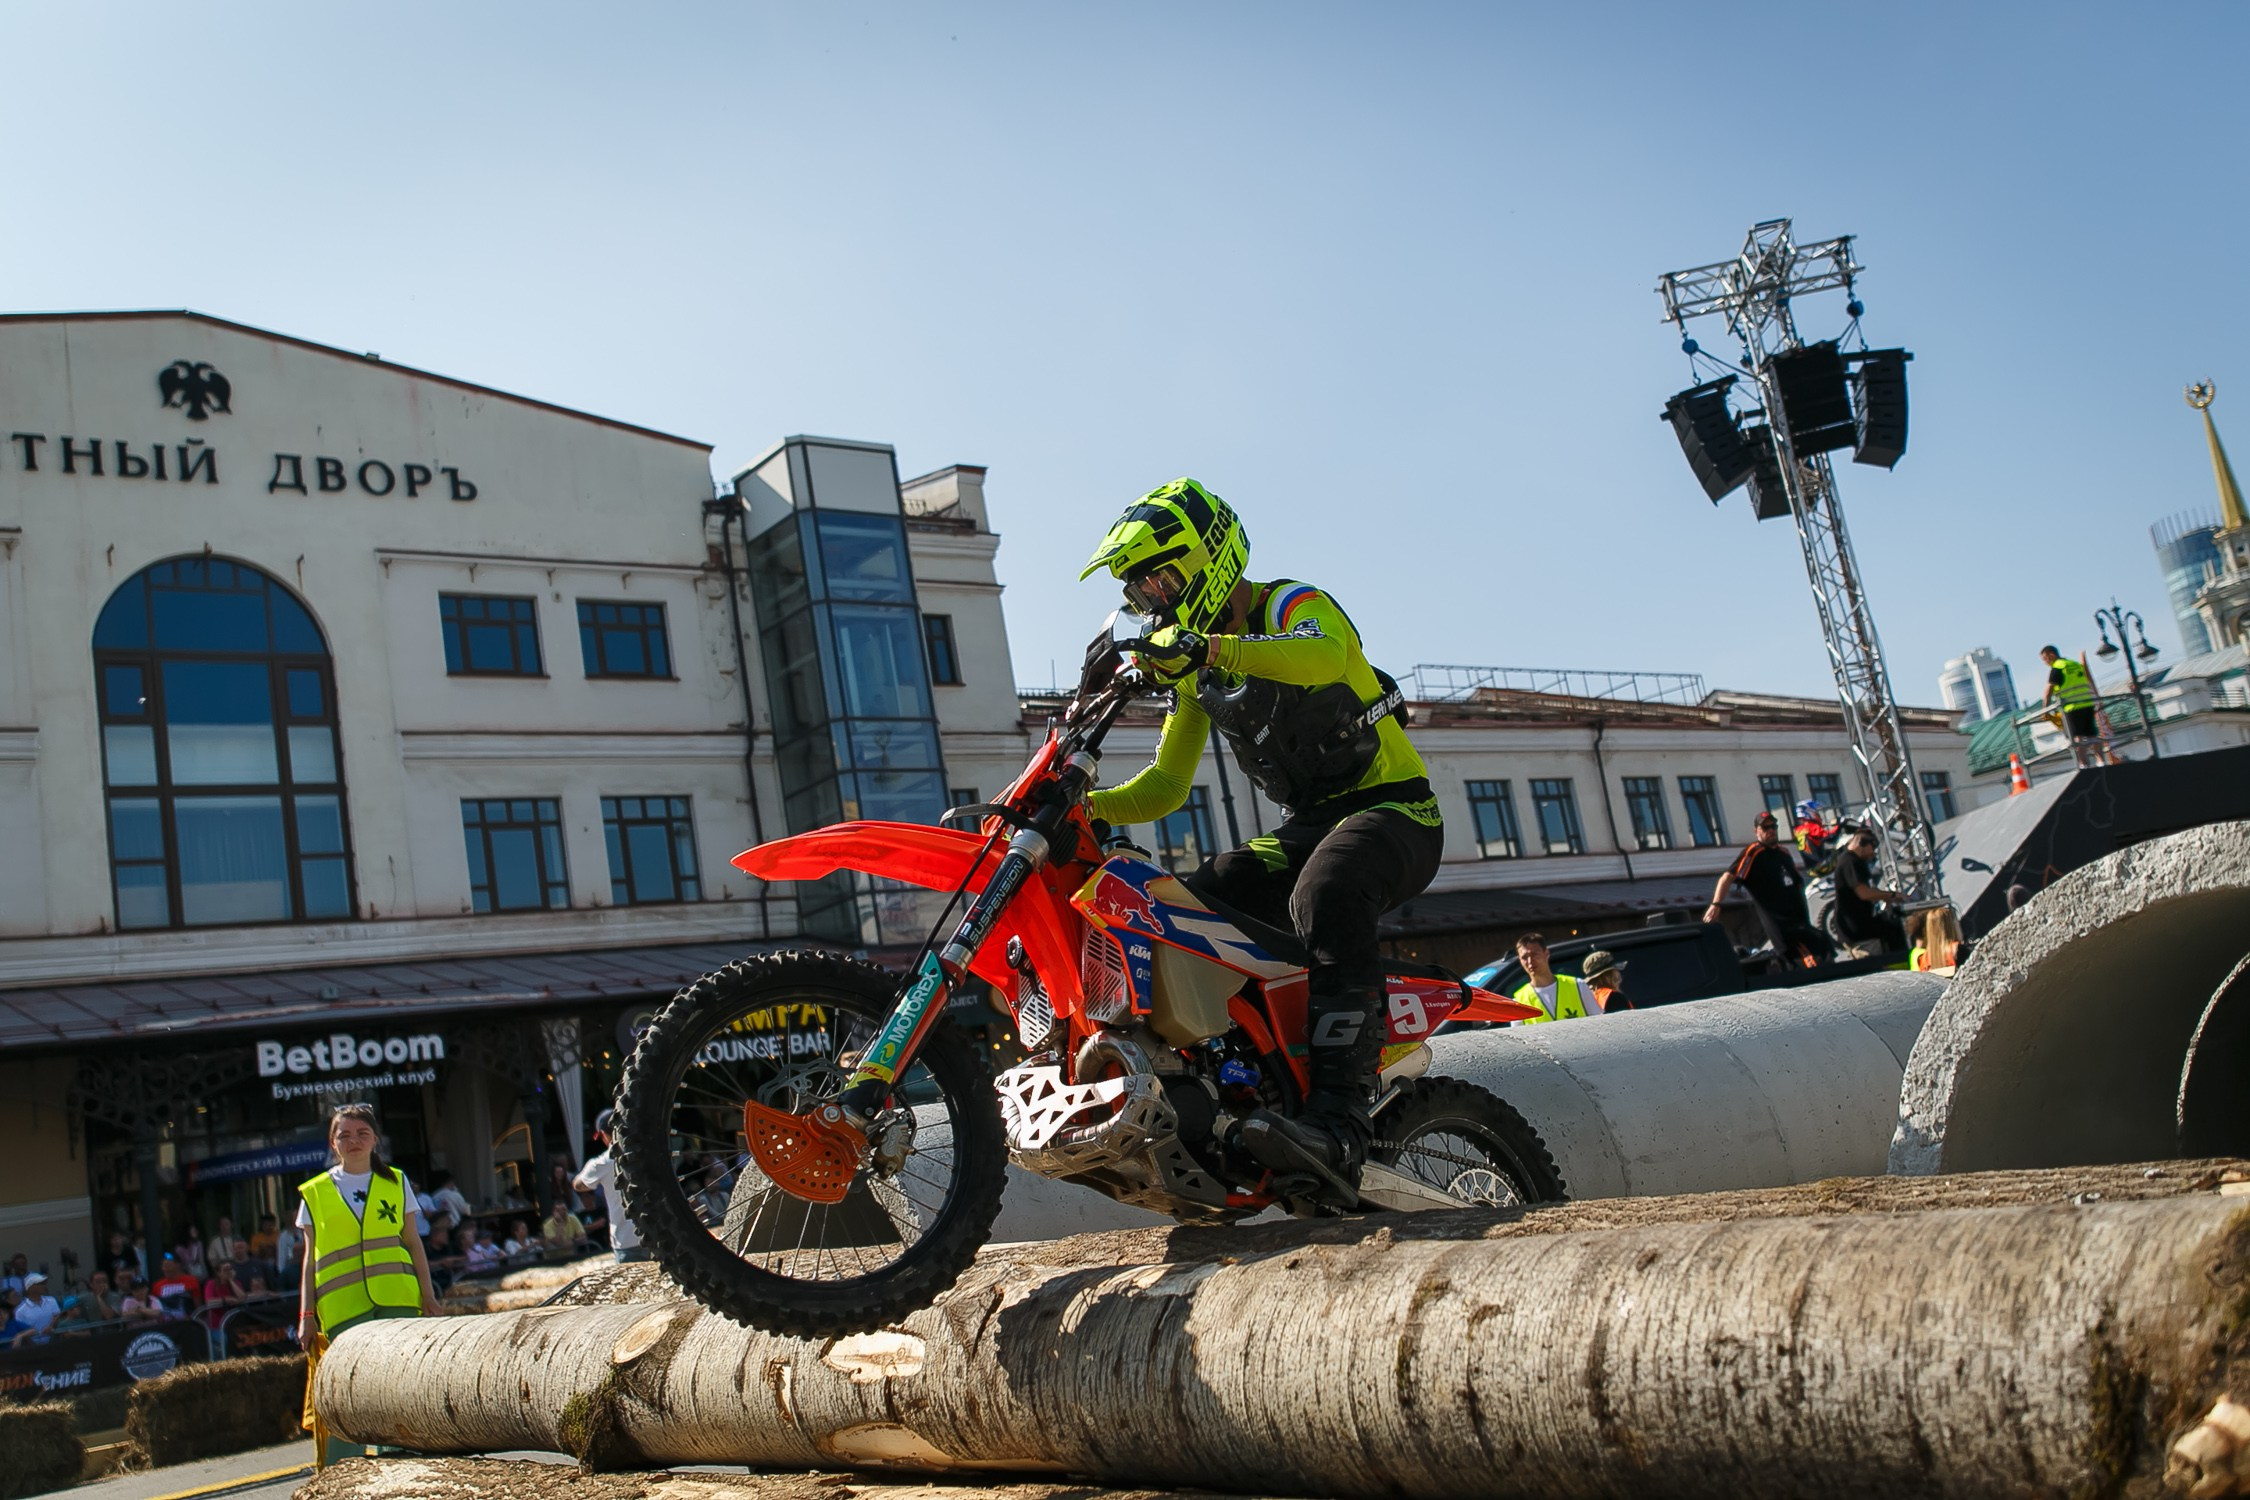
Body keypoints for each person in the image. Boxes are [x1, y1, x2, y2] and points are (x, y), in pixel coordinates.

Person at [1079, 478, 1442, 1205]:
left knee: (1328, 888)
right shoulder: (1196, 672)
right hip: (1310, 827)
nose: (1153, 599)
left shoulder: (1292, 604)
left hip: (1396, 812)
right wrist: (1080, 805)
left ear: (1209, 559)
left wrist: (1211, 646)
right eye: (1141, 591)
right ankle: (1240, 1091)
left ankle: (1339, 1121)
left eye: (1161, 580)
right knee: (1189, 901)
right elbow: (1165, 786)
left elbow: (1324, 657)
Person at [294, 1103, 442, 1350]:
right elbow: (309, 1260)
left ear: (375, 1139)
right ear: (333, 1143)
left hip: (399, 1298)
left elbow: (413, 1243)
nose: (354, 1141)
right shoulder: (314, 1192)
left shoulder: (396, 1181)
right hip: (343, 1309)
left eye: (362, 1133)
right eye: (344, 1135)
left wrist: (428, 1295)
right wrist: (306, 1316)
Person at [1704, 810, 1833, 965]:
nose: (1771, 831)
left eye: (1773, 827)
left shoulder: (1784, 853)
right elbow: (1727, 877)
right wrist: (1716, 904)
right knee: (1810, 962)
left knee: (1825, 946)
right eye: (1766, 828)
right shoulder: (1754, 852)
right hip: (1783, 929)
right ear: (1756, 831)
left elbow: (1797, 883)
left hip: (1800, 922)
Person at [573, 1110, 646, 1262]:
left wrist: (590, 1173)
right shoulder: (646, 1152)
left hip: (626, 1241)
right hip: (657, 1235)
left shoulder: (603, 1163)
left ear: (603, 1134)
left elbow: (578, 1185)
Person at [1830, 825, 1910, 955]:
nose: (1873, 852)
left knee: (1893, 922)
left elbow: (1869, 889)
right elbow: (1864, 893)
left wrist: (1886, 898)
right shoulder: (1849, 862)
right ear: (1861, 844)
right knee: (1893, 929)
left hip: (1862, 922)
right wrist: (1891, 895)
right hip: (1855, 927)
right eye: (1872, 847)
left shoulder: (1857, 861)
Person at [2039, 644, 2109, 769]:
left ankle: (2084, 765)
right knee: (2092, 734)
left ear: (2052, 655)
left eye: (2045, 659)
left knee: (2077, 737)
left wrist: (2045, 710)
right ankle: (2101, 762)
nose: (2045, 662)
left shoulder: (2058, 667)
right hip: (2087, 704)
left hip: (2071, 707)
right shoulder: (2075, 664)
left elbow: (2049, 690)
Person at [1508, 934, 1598, 1023]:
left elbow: (1599, 1022)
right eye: (1524, 957)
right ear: (1520, 960)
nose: (1530, 961)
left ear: (1546, 953)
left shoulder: (1578, 986)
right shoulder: (1519, 1002)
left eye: (1535, 954)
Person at [8, 1272, 61, 1345]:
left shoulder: (52, 1300)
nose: (43, 1286)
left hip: (53, 1343)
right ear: (30, 1287)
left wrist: (50, 1326)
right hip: (33, 1347)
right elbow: (21, 1331)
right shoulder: (20, 1311)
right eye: (40, 1284)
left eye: (43, 1283)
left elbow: (57, 1315)